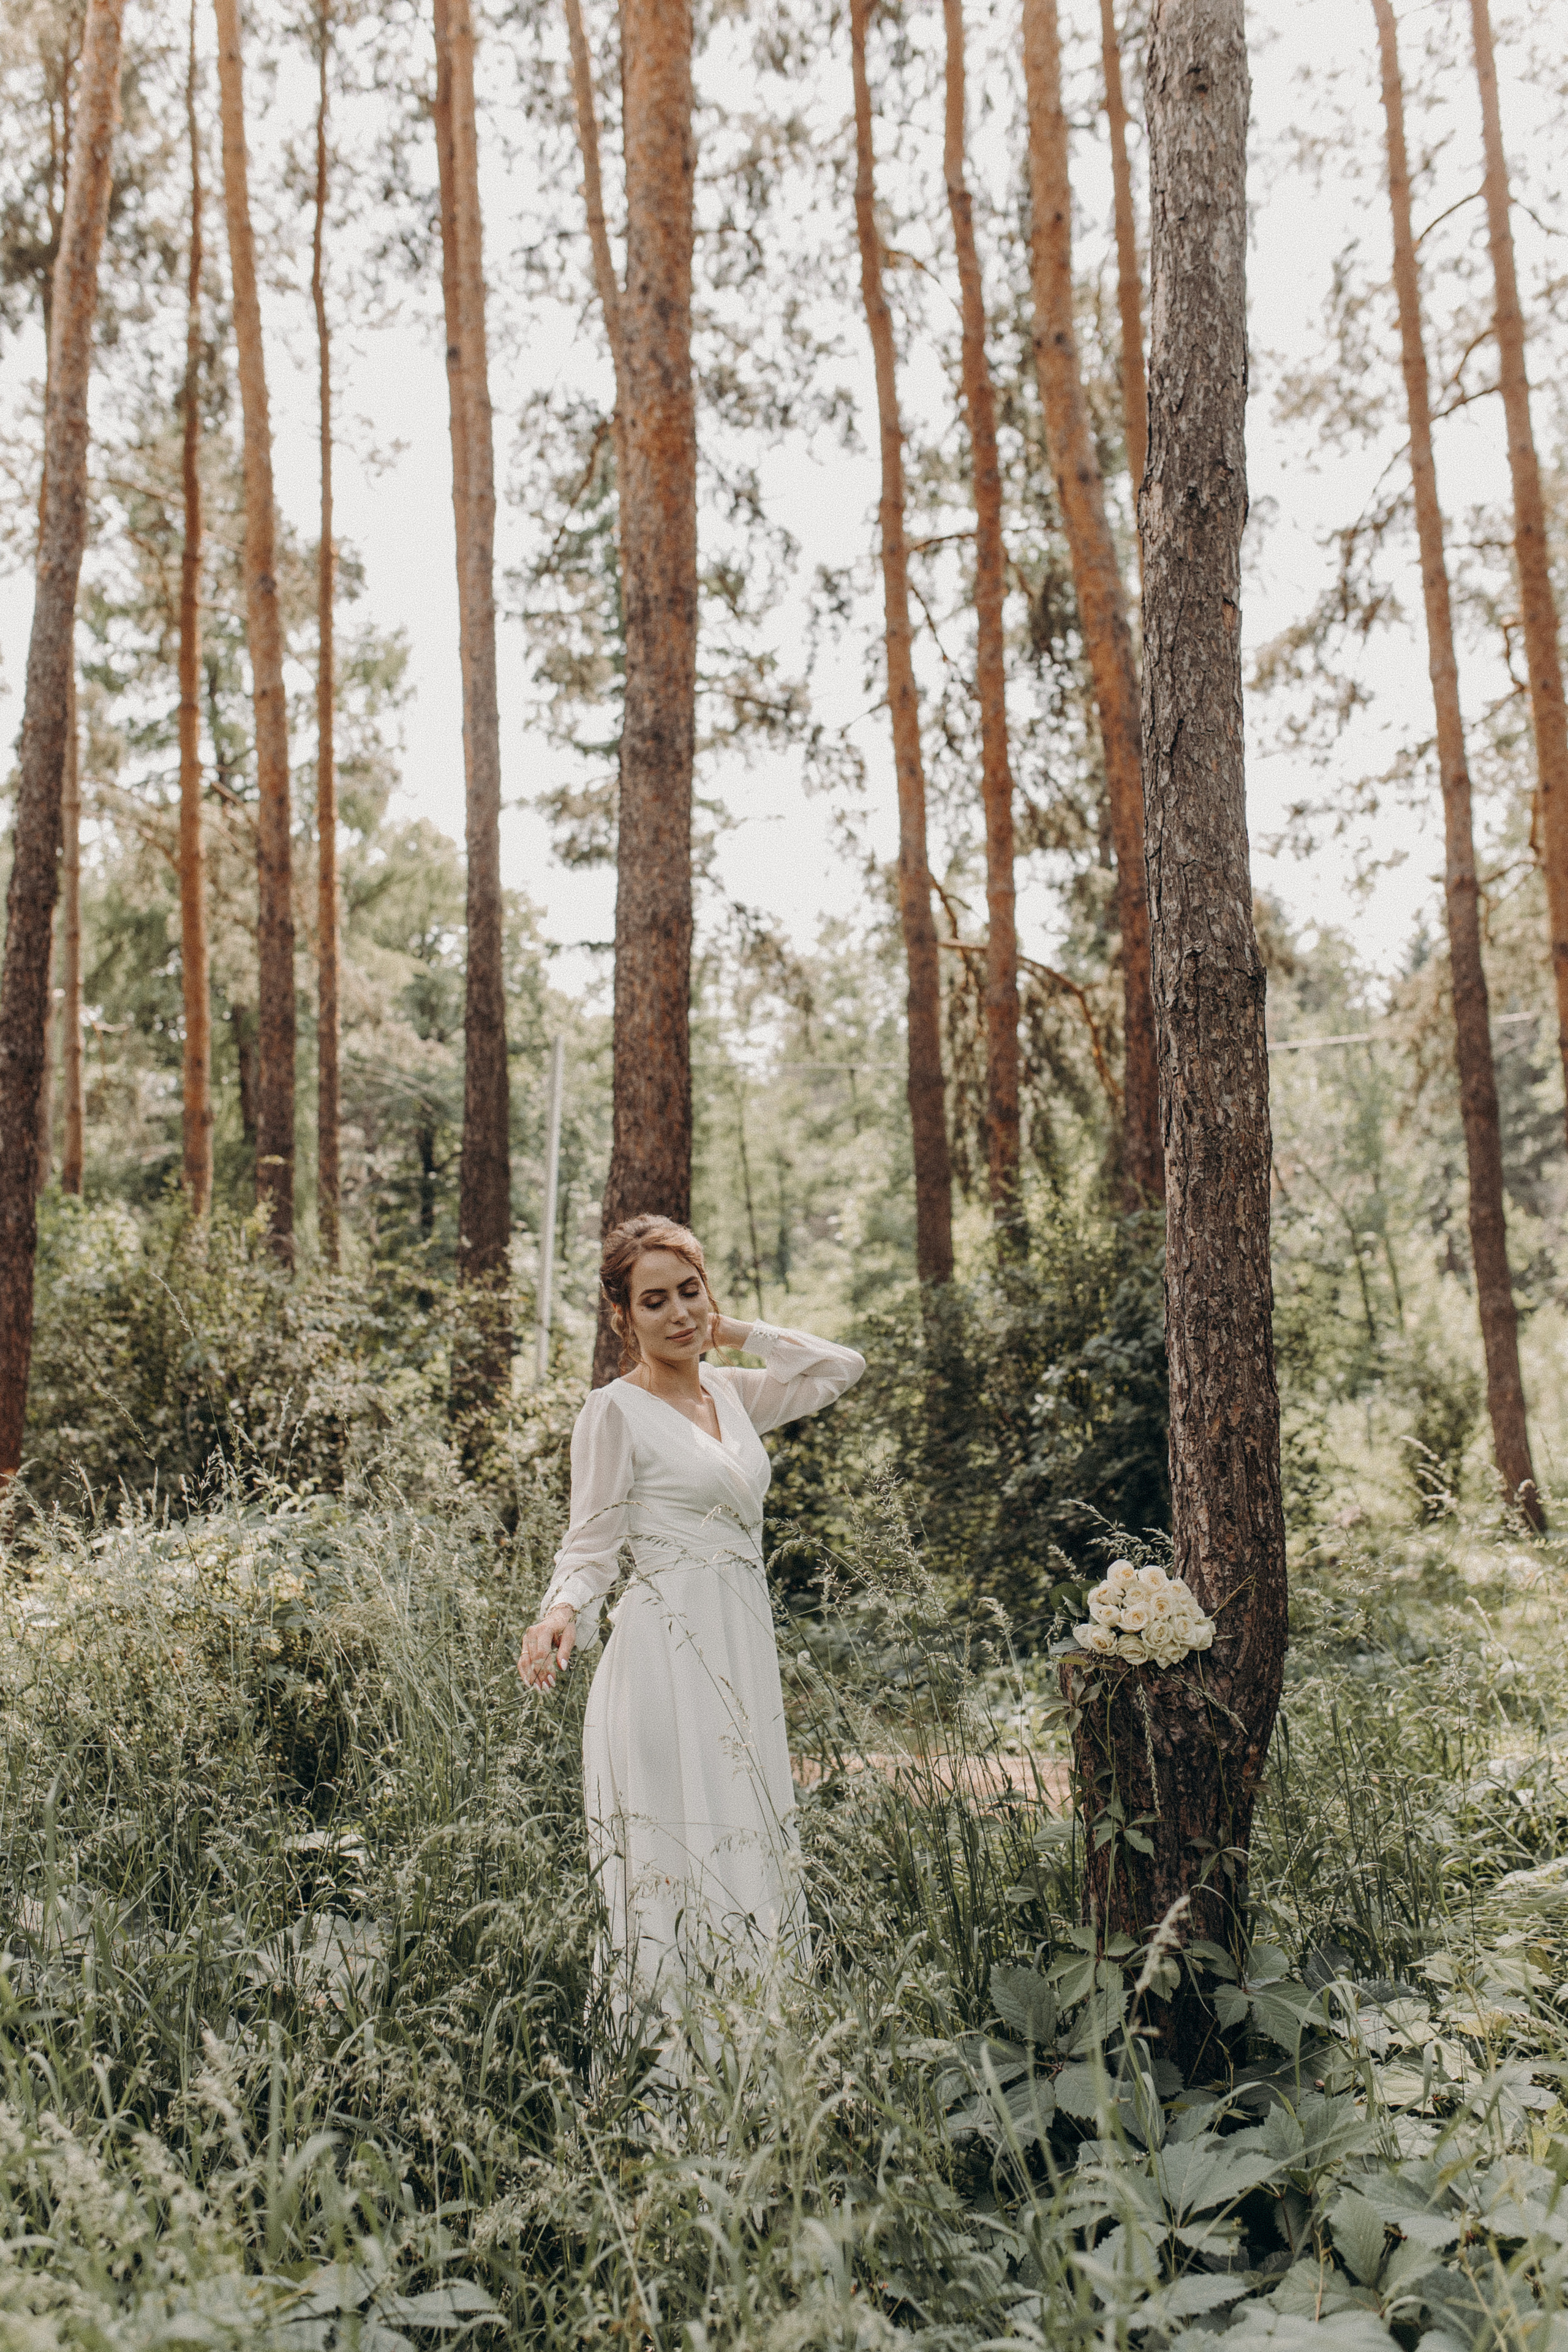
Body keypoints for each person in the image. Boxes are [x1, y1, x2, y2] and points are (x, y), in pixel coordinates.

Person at [518, 1214, 864, 2030]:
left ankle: (760, 2046)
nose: (676, 1314)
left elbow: (841, 1368)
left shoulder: (735, 1394)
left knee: (748, 1831)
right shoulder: (614, 1411)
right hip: (666, 1653)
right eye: (653, 1301)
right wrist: (561, 1610)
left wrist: (734, 1331)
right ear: (622, 1318)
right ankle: (673, 2065)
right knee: (683, 1845)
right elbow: (592, 1541)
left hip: (742, 1645)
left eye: (688, 1292)